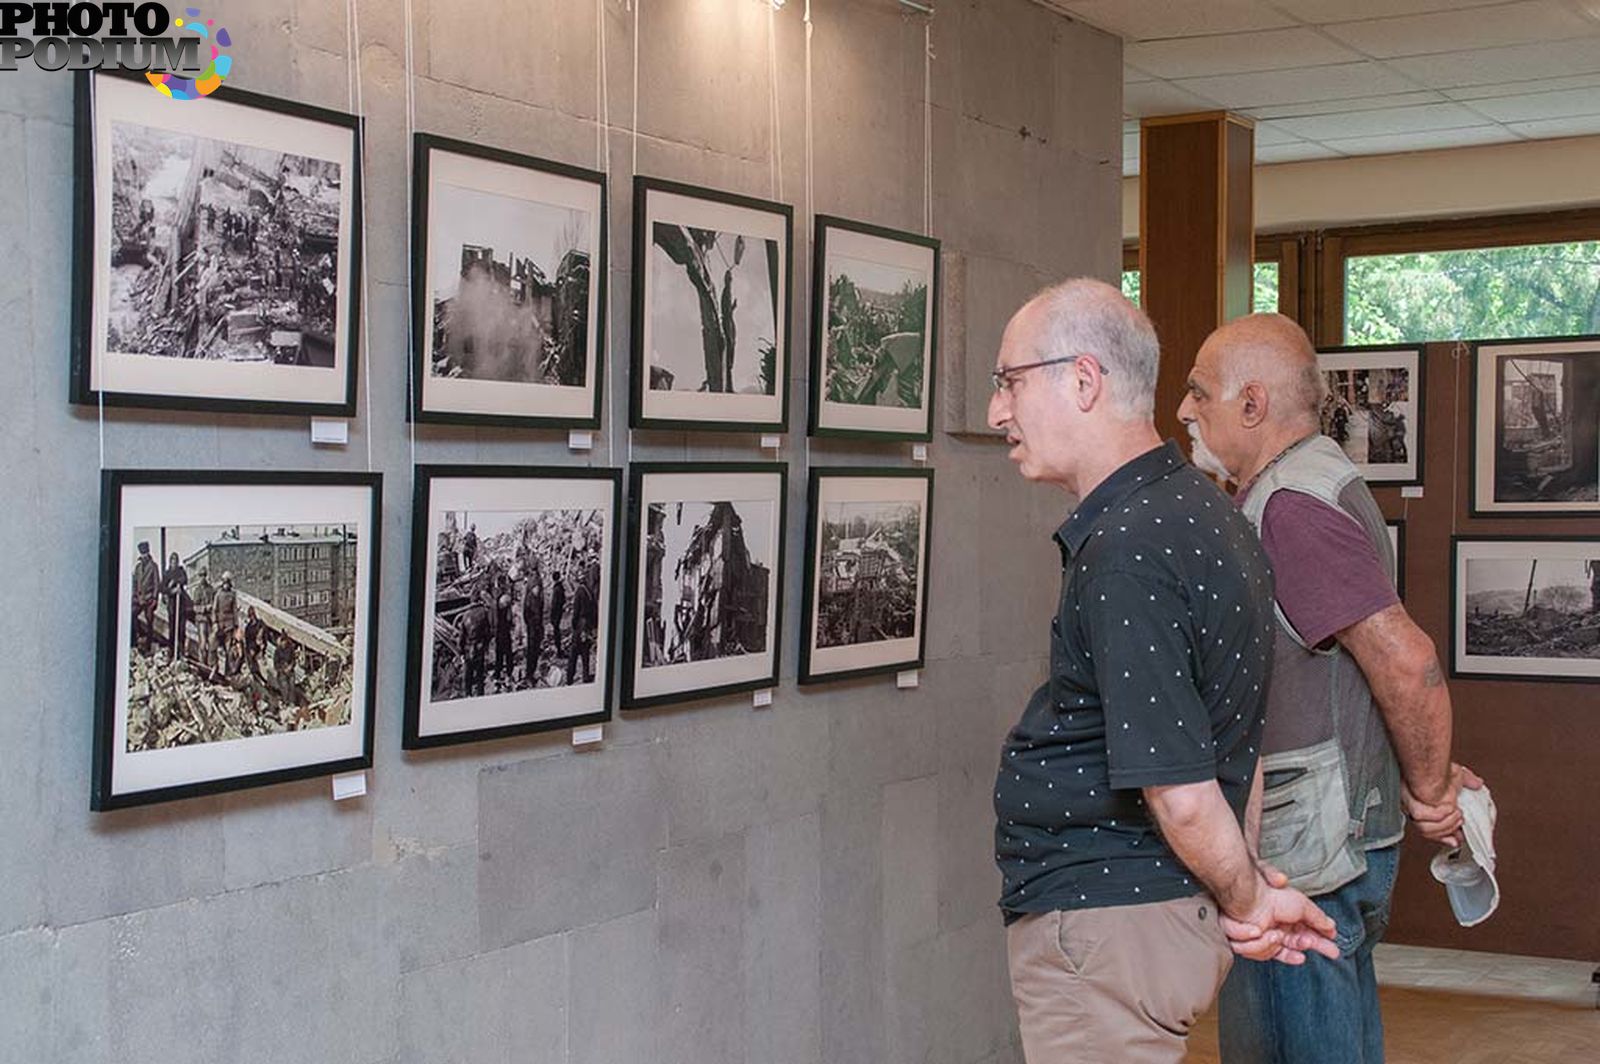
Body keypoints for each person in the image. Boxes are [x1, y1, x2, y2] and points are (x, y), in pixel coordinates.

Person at [987, 280, 1337, 1064]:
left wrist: (1248, 901)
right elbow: (1232, 741)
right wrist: (1239, 886)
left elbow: (1181, 791)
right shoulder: (1208, 514)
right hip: (1144, 917)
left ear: (1083, 380)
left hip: (1107, 928)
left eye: (1009, 382)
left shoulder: (1131, 548)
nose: (996, 414)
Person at [1177, 313, 1483, 1064]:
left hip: (1310, 855)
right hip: (1310, 842)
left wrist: (1434, 791)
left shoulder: (1292, 507)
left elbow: (1407, 662)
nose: (1184, 411)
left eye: (1197, 393)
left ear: (1252, 404)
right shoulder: (1303, 484)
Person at [567, 558, 598, 685]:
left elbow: (576, 611)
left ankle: (570, 678)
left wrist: (574, 625)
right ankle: (585, 676)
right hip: (588, 625)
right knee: (585, 652)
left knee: (574, 653)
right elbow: (594, 609)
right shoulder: (589, 591)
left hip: (580, 624)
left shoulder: (579, 592)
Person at [131, 541, 160, 655]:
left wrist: (154, 599)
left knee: (149, 620)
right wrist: (135, 596)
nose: (144, 556)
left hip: (149, 599)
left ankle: (148, 645)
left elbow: (157, 583)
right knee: (132, 614)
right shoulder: (137, 567)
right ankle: (136, 638)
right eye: (142, 554)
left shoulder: (153, 566)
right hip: (139, 599)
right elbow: (134, 583)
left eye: (145, 554)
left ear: (148, 553)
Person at [521, 555, 546, 687]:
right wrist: (538, 624)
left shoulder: (530, 578)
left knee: (532, 648)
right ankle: (529, 675)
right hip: (534, 621)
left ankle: (529, 674)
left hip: (531, 620)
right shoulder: (535, 579)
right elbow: (536, 603)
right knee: (533, 648)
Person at [161, 551, 189, 662]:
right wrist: (172, 590)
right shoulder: (167, 573)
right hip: (172, 605)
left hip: (181, 605)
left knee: (181, 629)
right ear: (170, 562)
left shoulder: (181, 571)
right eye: (172, 561)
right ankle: (171, 651)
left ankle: (181, 651)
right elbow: (162, 588)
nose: (174, 563)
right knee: (172, 629)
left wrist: (177, 583)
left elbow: (185, 580)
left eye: (176, 561)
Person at [213, 572, 239, 672]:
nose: (226, 585)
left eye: (228, 583)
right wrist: (215, 622)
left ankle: (228, 671)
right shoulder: (218, 595)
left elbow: (235, 610)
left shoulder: (232, 595)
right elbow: (214, 610)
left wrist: (236, 625)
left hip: (229, 624)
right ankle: (216, 668)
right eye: (225, 582)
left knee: (228, 648)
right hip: (219, 624)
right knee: (216, 647)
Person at [192, 568, 216, 669]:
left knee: (211, 643)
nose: (202, 578)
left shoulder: (211, 589)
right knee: (202, 643)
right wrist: (204, 608)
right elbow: (195, 607)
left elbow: (215, 604)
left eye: (204, 575)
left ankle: (210, 665)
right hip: (201, 619)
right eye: (201, 576)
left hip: (210, 620)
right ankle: (202, 663)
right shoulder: (197, 591)